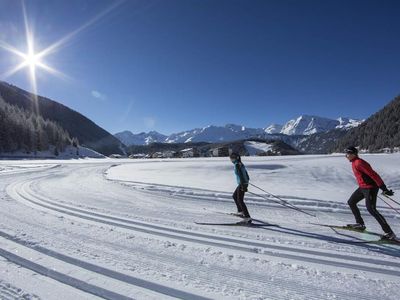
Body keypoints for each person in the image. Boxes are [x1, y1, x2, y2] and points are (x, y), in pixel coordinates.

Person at [345, 146, 396, 240]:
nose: (346, 155)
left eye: (348, 154)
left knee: (372, 210)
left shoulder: (359, 163)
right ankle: (360, 224)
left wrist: (383, 188)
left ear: (353, 154)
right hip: (363, 188)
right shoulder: (354, 162)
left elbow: (373, 174)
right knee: (351, 202)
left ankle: (389, 233)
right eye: (346, 154)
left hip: (370, 188)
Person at [229, 152, 252, 224]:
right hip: (243, 183)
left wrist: (243, 185)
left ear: (235, 158)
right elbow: (246, 173)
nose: (231, 160)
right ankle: (240, 212)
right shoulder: (240, 164)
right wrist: (247, 181)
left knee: (240, 200)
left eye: (232, 158)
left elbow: (241, 175)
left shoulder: (237, 165)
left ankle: (247, 217)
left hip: (242, 184)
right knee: (235, 196)